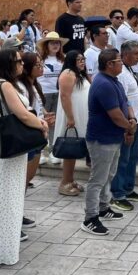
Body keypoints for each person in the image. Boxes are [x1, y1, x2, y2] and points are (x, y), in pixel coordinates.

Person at [0, 49, 48, 266]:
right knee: (7, 199)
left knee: (9, 198)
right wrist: (41, 124)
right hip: (8, 146)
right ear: (7, 64)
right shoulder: (4, 85)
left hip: (7, 146)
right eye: (18, 61)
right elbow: (22, 113)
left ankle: (4, 249)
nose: (22, 64)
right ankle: (1, 251)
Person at [81, 49, 135, 235]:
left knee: (109, 175)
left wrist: (132, 119)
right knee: (97, 179)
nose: (122, 63)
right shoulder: (103, 83)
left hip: (113, 137)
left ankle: (104, 208)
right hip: (101, 139)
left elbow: (126, 104)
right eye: (119, 61)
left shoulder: (115, 81)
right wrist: (129, 127)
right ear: (109, 64)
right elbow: (115, 115)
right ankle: (90, 218)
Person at [110, 41, 138, 212]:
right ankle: (117, 194)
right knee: (123, 159)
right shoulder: (121, 74)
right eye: (136, 54)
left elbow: (132, 94)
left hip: (137, 120)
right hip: (129, 123)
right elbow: (122, 101)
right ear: (125, 55)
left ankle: (128, 188)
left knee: (133, 157)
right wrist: (128, 127)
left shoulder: (130, 70)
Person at [16, 52, 54, 224]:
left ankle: (18, 212)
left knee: (27, 178)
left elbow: (37, 108)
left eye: (41, 64)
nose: (41, 68)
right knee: (22, 179)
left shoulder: (33, 84)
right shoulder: (20, 87)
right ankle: (14, 215)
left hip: (38, 134)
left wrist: (46, 116)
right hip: (28, 136)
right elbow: (25, 113)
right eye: (37, 65)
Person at [54, 51, 91, 196]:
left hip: (82, 116)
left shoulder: (79, 73)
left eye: (83, 59)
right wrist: (70, 118)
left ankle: (70, 179)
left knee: (75, 150)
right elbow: (65, 96)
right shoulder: (68, 73)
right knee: (70, 150)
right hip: (72, 117)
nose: (82, 62)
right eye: (79, 59)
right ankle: (65, 182)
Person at [36, 32, 68, 164]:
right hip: (43, 94)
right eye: (52, 43)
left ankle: (54, 151)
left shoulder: (64, 59)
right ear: (46, 45)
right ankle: (42, 152)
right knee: (41, 123)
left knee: (55, 123)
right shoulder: (40, 59)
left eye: (57, 43)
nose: (55, 45)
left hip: (58, 94)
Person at [116, 8, 138, 73]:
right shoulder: (124, 29)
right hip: (127, 64)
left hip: (132, 64)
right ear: (134, 17)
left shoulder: (129, 29)